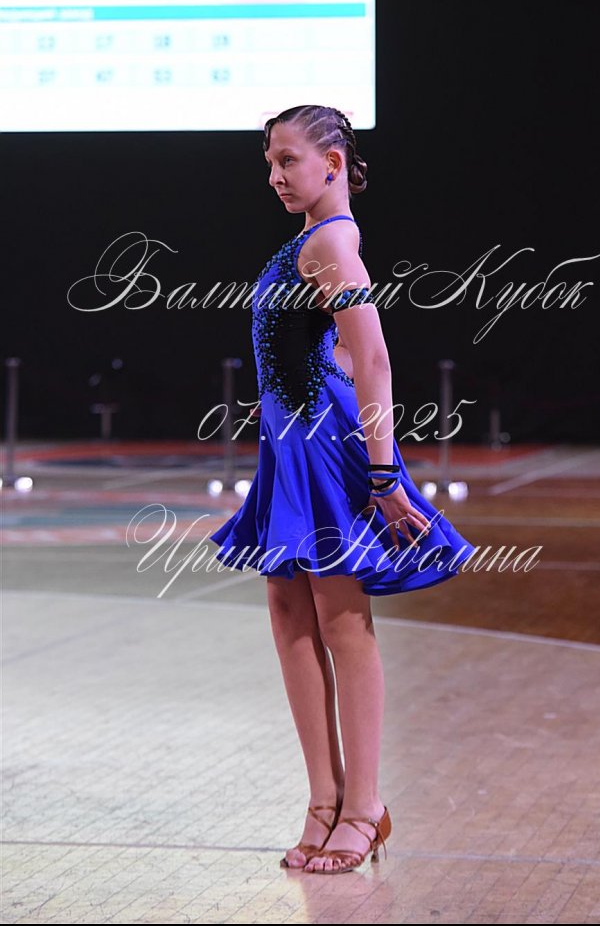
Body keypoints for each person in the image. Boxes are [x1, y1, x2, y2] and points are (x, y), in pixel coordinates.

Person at [209, 104, 474, 874]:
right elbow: (337, 351)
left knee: (339, 621)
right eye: (269, 162)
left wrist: (383, 472)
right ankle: (323, 801)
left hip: (325, 451)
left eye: (287, 159)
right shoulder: (309, 240)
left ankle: (364, 806)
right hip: (291, 446)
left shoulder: (331, 240)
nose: (275, 175)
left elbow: (375, 356)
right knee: (289, 612)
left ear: (332, 161)